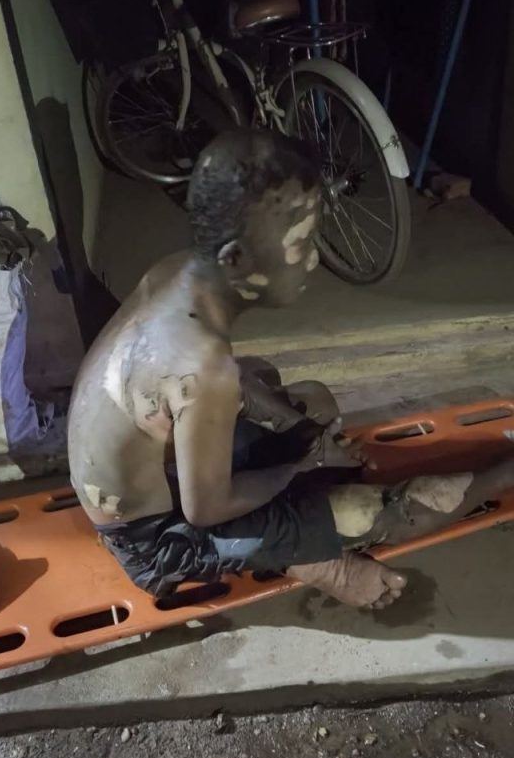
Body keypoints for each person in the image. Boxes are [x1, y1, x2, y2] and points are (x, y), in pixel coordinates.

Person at [68, 130, 514, 609]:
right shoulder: (202, 363)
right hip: (155, 541)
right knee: (369, 510)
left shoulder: (176, 271)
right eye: (300, 242)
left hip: (154, 472)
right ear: (235, 258)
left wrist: (305, 435)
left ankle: (303, 529)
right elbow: (206, 510)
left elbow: (216, 386)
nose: (314, 257)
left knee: (310, 400)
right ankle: (328, 563)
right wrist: (299, 466)